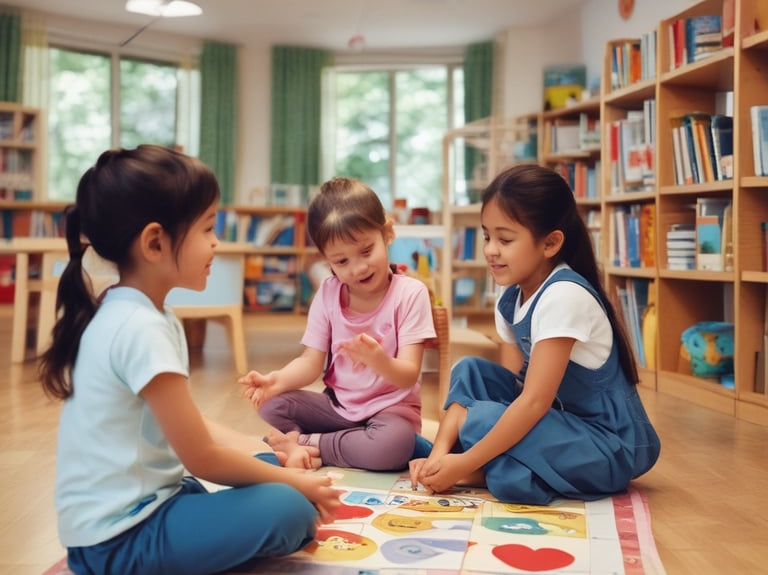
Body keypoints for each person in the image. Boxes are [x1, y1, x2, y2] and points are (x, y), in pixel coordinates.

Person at [39, 145, 341, 575]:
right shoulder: (138, 327)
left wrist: (269, 450)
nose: (216, 242)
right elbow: (201, 456)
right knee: (290, 508)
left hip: (143, 508)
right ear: (155, 242)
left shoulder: (136, 310)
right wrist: (295, 482)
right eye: (207, 228)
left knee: (269, 470)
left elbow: (189, 428)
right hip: (119, 539)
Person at [410, 164, 661, 504]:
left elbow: (532, 403)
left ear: (551, 243)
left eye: (505, 239)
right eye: (487, 236)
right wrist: (438, 456)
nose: (490, 250)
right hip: (556, 425)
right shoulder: (512, 297)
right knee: (471, 370)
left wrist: (466, 460)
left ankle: (482, 469)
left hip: (605, 446)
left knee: (484, 420)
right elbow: (515, 388)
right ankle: (478, 465)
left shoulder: (564, 296)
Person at [239, 177, 436, 471]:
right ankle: (344, 442)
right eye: (341, 262)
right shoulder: (329, 293)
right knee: (273, 405)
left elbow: (408, 375)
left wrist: (378, 360)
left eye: (366, 251)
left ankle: (307, 444)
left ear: (387, 233)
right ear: (326, 260)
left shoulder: (410, 293)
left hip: (390, 414)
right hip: (338, 409)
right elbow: (310, 362)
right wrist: (275, 381)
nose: (357, 268)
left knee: (393, 444)